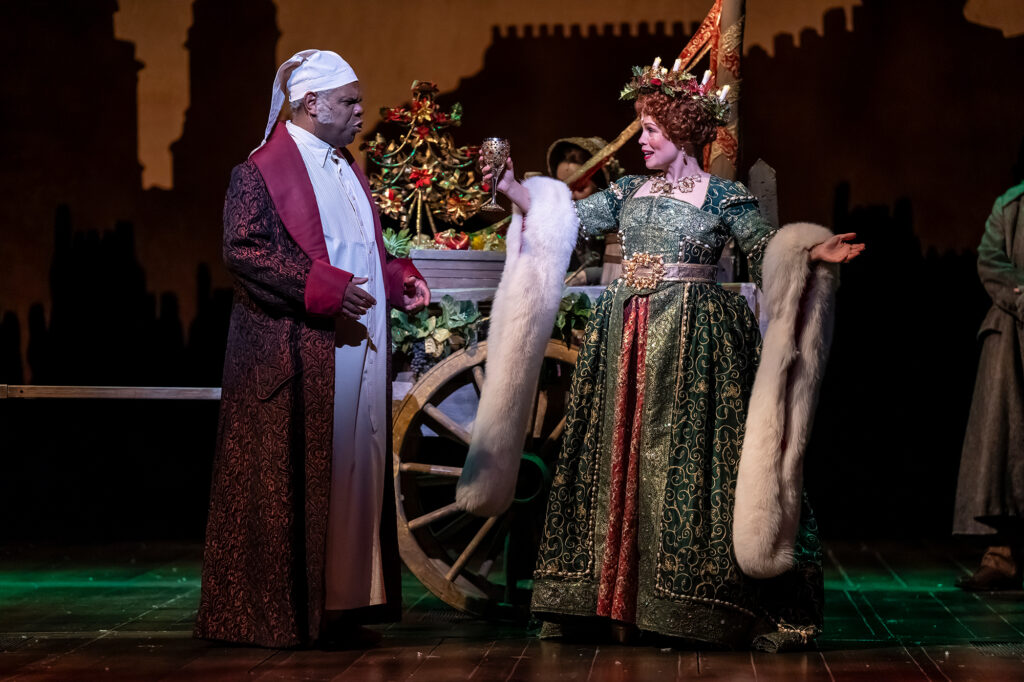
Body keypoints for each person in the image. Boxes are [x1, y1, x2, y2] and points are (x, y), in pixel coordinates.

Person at [483, 62, 862, 651]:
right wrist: (513, 191)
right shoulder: (625, 192)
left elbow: (764, 246)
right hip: (622, 333)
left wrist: (811, 250)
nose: (643, 140)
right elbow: (564, 224)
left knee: (692, 460)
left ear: (683, 132)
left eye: (653, 129)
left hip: (696, 339)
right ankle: (601, 601)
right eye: (641, 128)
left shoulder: (724, 196)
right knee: (614, 455)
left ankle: (699, 603)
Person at [195, 49, 429, 648]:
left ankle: (344, 600)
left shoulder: (344, 164)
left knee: (355, 465)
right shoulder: (259, 171)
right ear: (310, 105)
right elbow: (243, 251)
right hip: (294, 350)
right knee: (302, 474)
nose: (360, 112)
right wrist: (324, 290)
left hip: (353, 347)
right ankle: (287, 612)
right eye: (349, 102)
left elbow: (356, 243)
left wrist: (395, 276)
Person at [953, 175, 1024, 591]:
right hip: (1012, 337)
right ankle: (1003, 557)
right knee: (1005, 453)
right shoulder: (1011, 206)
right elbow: (991, 263)